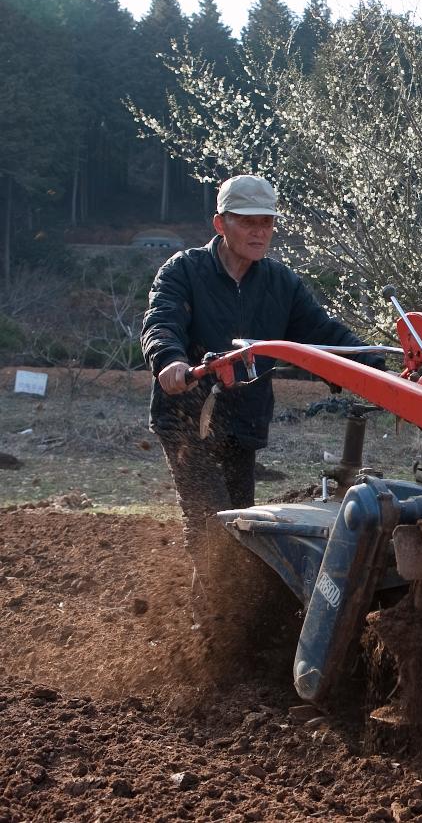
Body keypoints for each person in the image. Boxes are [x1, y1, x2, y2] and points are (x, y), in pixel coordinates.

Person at [140, 174, 377, 619]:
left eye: (267, 222)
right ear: (220, 223)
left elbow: (323, 335)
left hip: (243, 421)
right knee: (210, 522)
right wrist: (170, 360)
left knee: (241, 521)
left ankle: (223, 618)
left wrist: (375, 367)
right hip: (187, 419)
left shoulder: (280, 285)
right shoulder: (183, 271)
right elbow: (161, 321)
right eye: (247, 222)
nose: (259, 232)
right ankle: (215, 627)